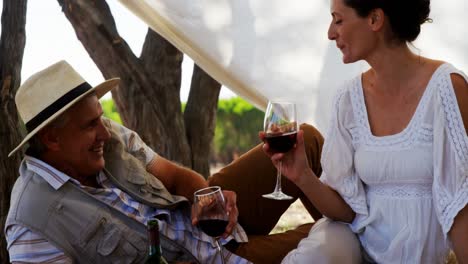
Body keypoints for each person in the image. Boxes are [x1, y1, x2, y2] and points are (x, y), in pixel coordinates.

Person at [4, 60, 326, 264]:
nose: (105, 131)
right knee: (340, 237)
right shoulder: (32, 222)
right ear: (51, 139)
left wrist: (208, 199)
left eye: (100, 118)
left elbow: (173, 177)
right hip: (216, 257)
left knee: (304, 140)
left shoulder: (111, 135)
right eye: (89, 126)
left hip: (204, 222)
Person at [262, 0, 468, 263]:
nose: (330, 33)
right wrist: (302, 175)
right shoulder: (347, 98)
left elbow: (460, 206)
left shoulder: (447, 88)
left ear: (374, 20)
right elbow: (347, 212)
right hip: (352, 246)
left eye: (338, 20)